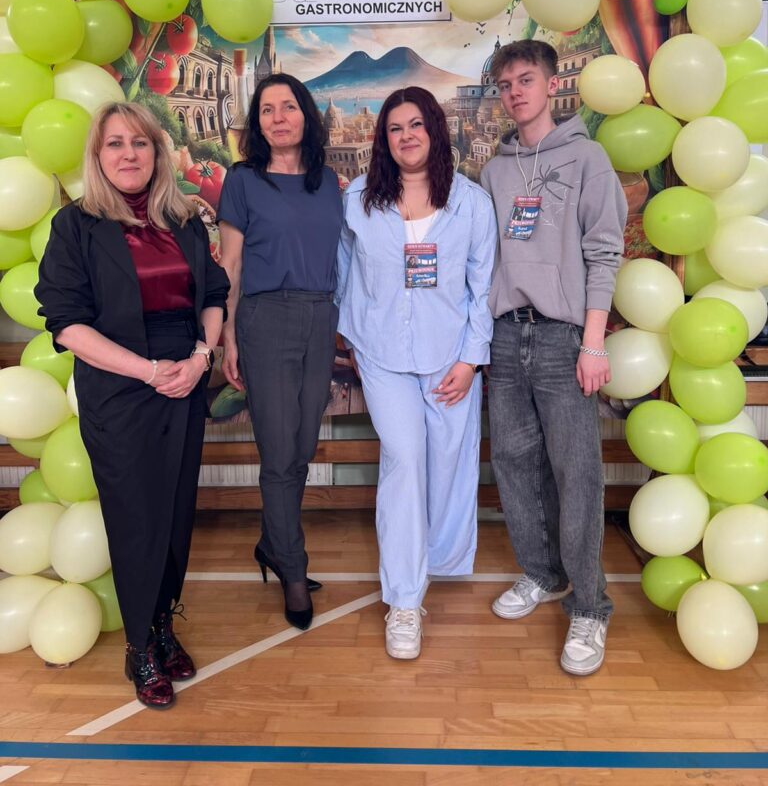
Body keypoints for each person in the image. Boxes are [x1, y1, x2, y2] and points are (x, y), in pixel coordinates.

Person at [35, 102, 229, 708]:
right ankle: (139, 647)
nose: (129, 154)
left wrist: (200, 359)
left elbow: (215, 295)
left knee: (175, 512)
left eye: (140, 143)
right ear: (98, 156)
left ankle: (163, 624)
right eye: (115, 143)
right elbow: (67, 324)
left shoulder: (184, 220)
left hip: (185, 378)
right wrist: (147, 371)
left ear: (157, 153)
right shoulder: (76, 226)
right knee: (136, 516)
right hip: (120, 387)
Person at [479, 40, 627, 677]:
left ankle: (589, 606)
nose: (515, 92)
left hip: (565, 339)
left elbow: (604, 252)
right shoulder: (494, 171)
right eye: (505, 84)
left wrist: (593, 342)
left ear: (549, 84)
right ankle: (542, 573)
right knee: (515, 464)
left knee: (577, 474)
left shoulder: (587, 158)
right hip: (506, 335)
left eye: (525, 80)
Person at [336, 86, 496, 660]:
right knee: (404, 459)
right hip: (382, 356)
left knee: (449, 461)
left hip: (449, 356)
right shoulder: (358, 198)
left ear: (435, 130)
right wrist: (353, 336)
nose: (406, 136)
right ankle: (404, 600)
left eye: (416, 125)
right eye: (395, 128)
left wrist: (471, 359)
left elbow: (483, 286)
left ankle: (438, 560)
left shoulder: (471, 203)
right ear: (383, 138)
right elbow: (344, 268)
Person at [217, 73, 342, 631]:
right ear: (258, 123)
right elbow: (230, 267)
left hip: (321, 317)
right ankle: (292, 566)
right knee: (278, 450)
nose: (278, 118)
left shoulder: (329, 181)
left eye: (287, 107)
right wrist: (228, 337)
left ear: (305, 115)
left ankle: (273, 542)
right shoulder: (242, 181)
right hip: (265, 319)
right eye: (266, 110)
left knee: (303, 445)